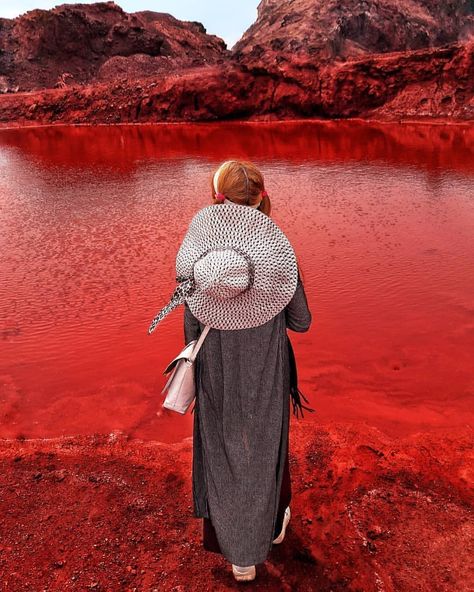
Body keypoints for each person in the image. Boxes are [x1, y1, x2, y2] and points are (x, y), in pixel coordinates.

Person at [150, 160, 312, 582]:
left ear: (215, 197)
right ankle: (270, 529)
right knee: (265, 447)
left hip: (215, 370)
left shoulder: (198, 252)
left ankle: (237, 556)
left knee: (221, 449)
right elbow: (301, 321)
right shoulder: (278, 252)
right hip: (265, 371)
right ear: (260, 198)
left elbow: (190, 327)